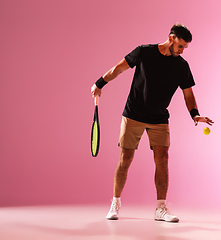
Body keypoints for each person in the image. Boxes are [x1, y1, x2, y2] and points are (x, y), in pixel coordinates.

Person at [91, 23, 213, 223]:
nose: (182, 51)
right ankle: (115, 203)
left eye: (185, 48)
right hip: (133, 114)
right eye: (181, 46)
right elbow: (118, 69)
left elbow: (188, 93)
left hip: (159, 118)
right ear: (171, 38)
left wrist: (195, 115)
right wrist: (99, 83)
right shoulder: (144, 52)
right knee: (125, 159)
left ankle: (161, 208)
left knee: (163, 158)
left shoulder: (182, 66)